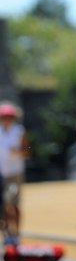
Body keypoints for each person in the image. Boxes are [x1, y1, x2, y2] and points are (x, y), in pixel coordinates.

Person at [0, 102, 29, 246]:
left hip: (15, 173)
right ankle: (7, 233)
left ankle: (16, 233)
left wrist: (17, 151)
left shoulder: (19, 131)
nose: (6, 120)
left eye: (8, 117)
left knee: (13, 203)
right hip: (1, 174)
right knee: (4, 206)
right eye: (4, 117)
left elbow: (27, 150)